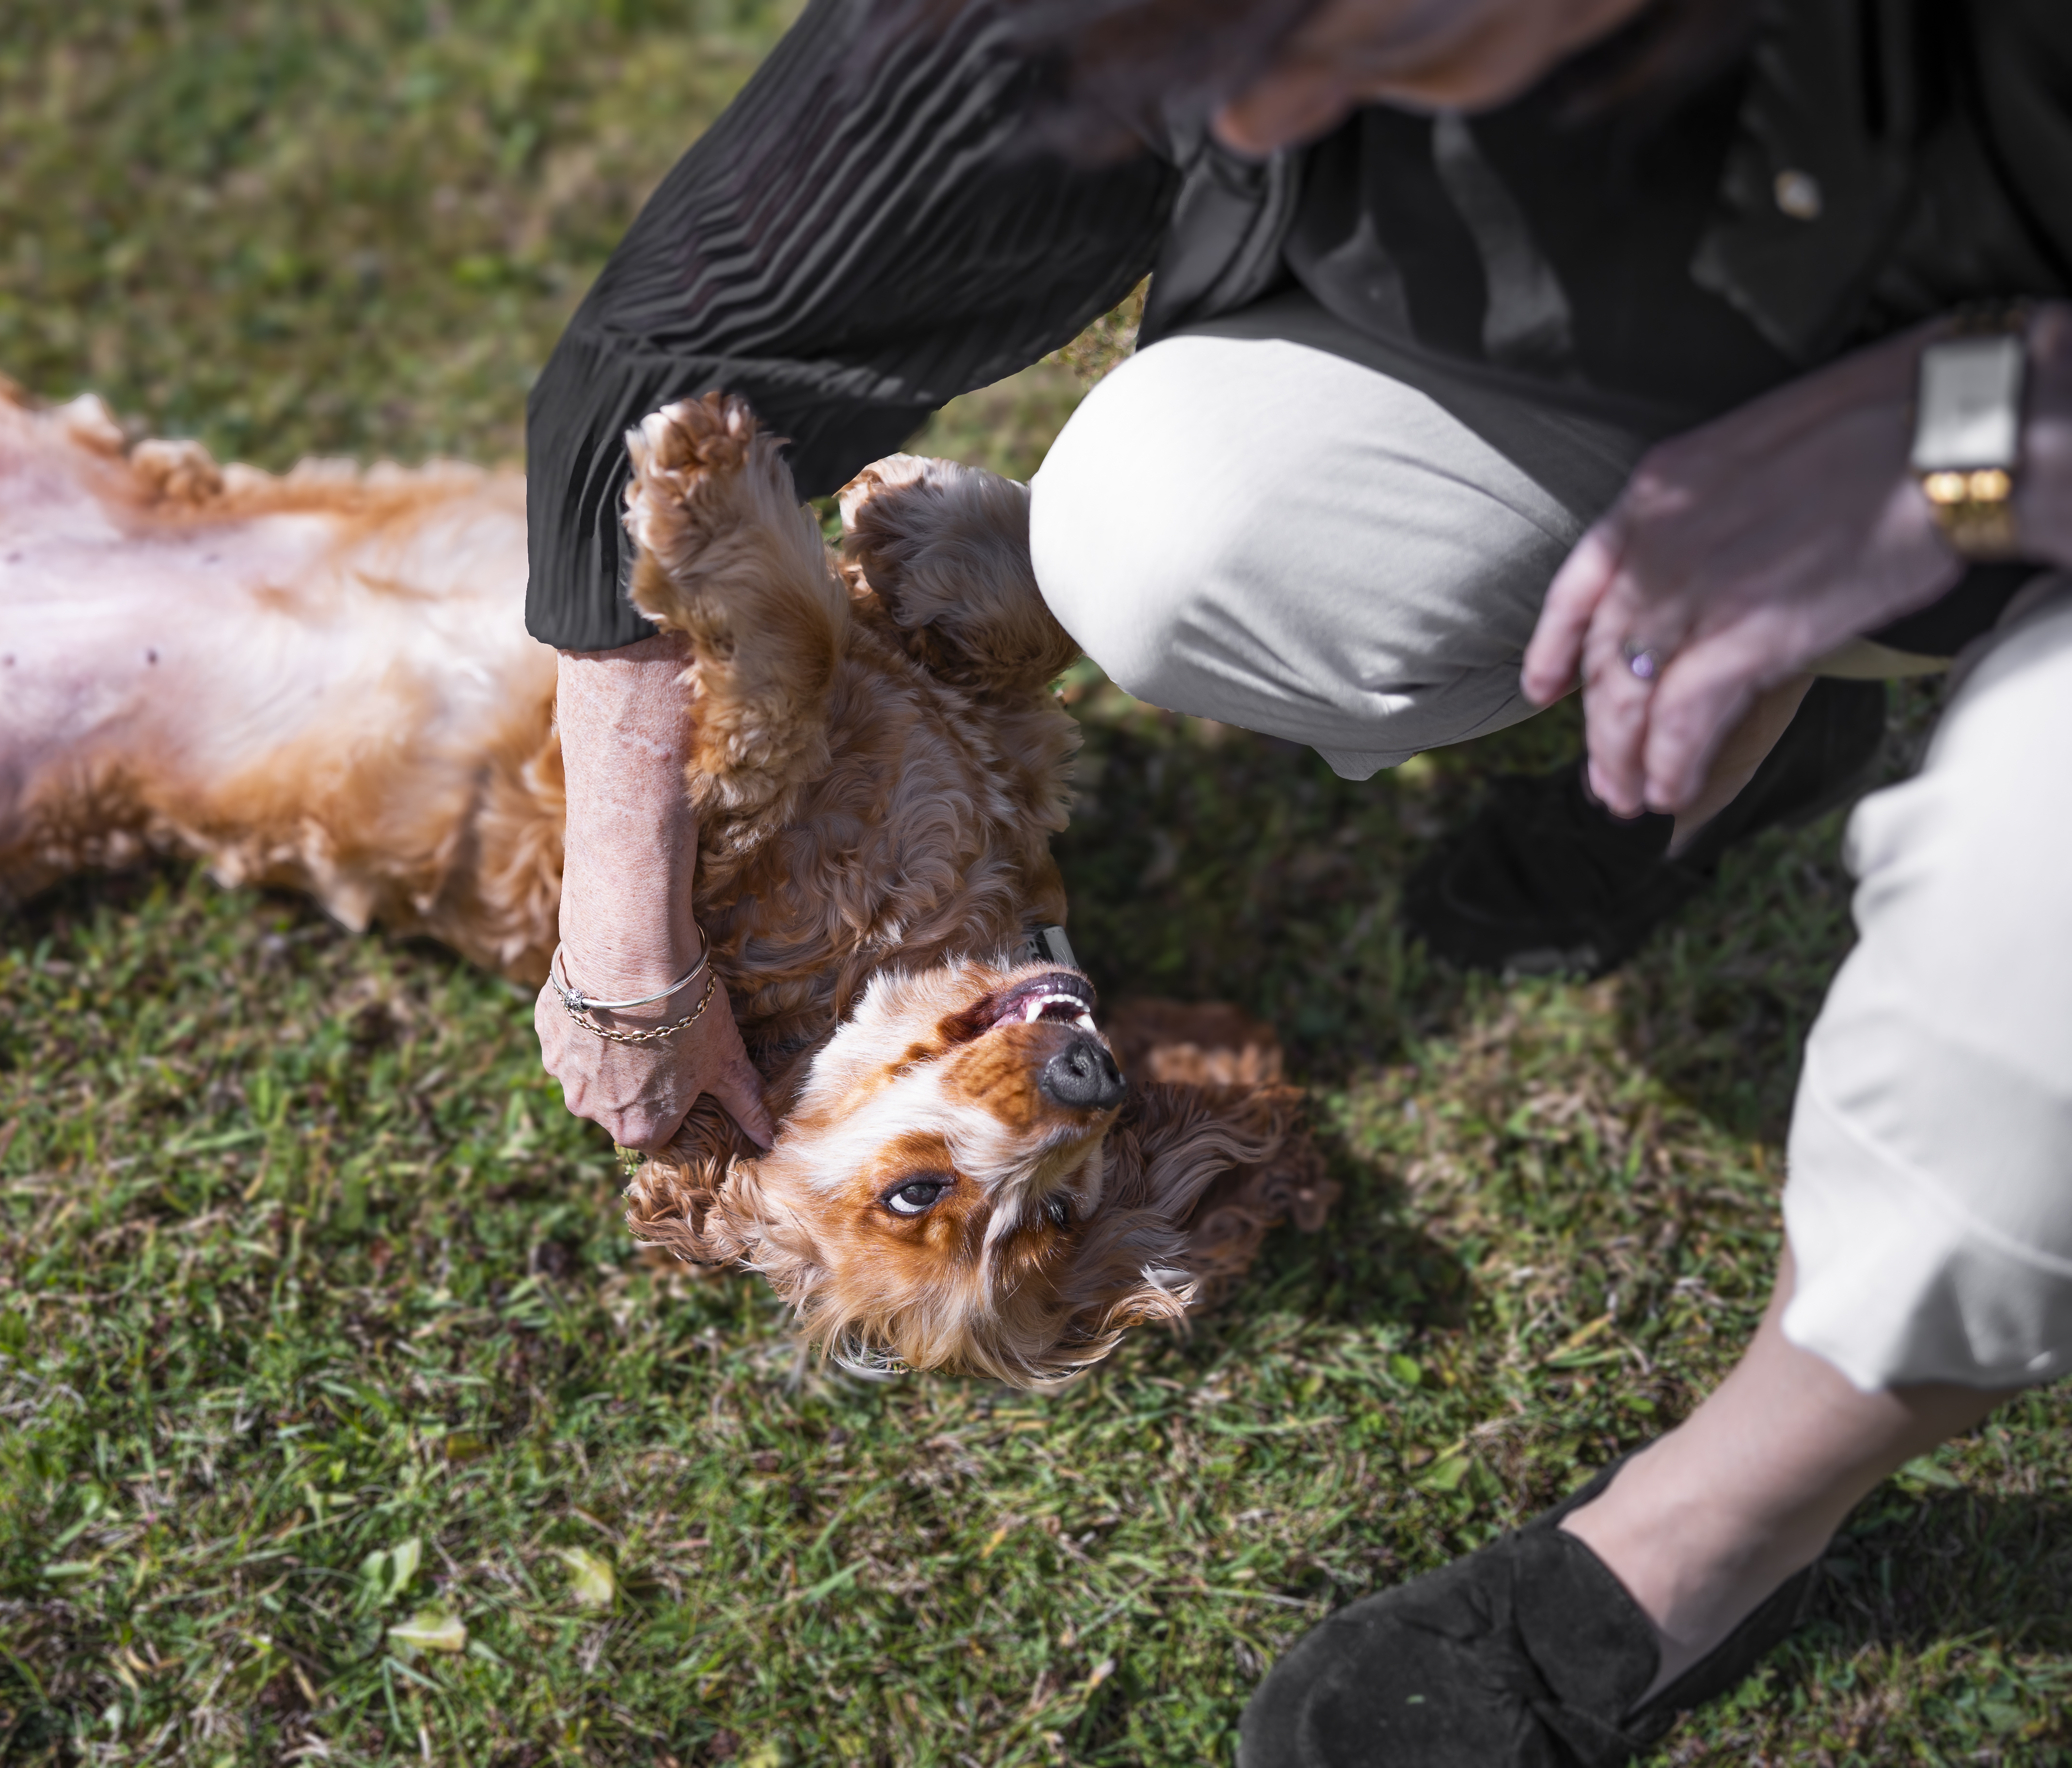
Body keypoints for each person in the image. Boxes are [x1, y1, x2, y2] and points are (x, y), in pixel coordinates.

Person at [524, 0, 2072, 1760]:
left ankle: (1724, 1521)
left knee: (2041, 933)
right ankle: (1729, 695)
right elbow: (692, 332)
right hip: (1668, 359)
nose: (1240, 125)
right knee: (1165, 530)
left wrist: (1969, 435)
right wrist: (627, 936)